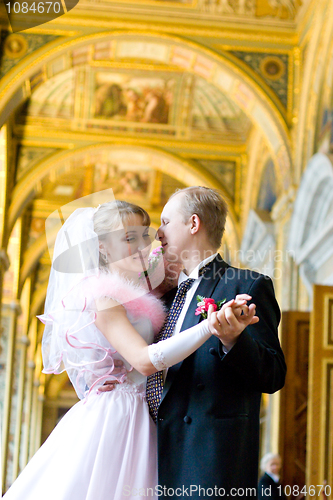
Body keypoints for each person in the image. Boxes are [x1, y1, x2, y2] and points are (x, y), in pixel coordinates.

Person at [3, 200, 257, 500]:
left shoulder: (146, 291)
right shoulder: (103, 296)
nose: (142, 245)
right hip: (120, 415)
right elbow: (143, 360)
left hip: (153, 413)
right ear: (103, 248)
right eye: (129, 238)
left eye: (144, 235)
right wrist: (209, 326)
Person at [143, 186, 286, 498]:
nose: (158, 231)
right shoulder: (159, 297)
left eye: (166, 222)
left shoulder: (246, 285)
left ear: (193, 224)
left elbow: (274, 375)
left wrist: (234, 341)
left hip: (208, 467)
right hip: (146, 457)